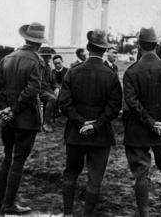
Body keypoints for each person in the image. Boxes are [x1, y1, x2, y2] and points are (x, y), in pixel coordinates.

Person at [58, 29, 122, 217]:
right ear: (104, 51)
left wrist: (80, 123)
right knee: (95, 179)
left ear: (88, 48)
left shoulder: (73, 72)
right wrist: (96, 125)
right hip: (100, 136)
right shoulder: (110, 75)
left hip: (75, 134)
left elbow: (64, 104)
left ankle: (68, 214)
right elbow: (115, 106)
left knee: (70, 174)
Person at [123, 27, 161, 217]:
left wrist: (150, 123)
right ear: (156, 45)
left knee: (141, 174)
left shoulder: (131, 72)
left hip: (139, 132)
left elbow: (132, 103)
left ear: (139, 45)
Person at [0, 22, 47, 215]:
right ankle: (9, 204)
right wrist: (15, 109)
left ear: (25, 38)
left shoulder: (7, 58)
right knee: (18, 160)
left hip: (8, 118)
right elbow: (32, 90)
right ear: (38, 43)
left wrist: (6, 108)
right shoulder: (37, 61)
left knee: (7, 156)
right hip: (26, 119)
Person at [38, 46, 58, 133]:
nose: (49, 58)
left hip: (46, 90)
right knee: (52, 99)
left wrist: (57, 88)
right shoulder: (38, 66)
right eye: (46, 56)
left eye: (49, 56)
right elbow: (37, 82)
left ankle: (51, 119)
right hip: (38, 90)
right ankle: (46, 123)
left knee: (57, 96)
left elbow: (53, 81)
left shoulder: (48, 67)